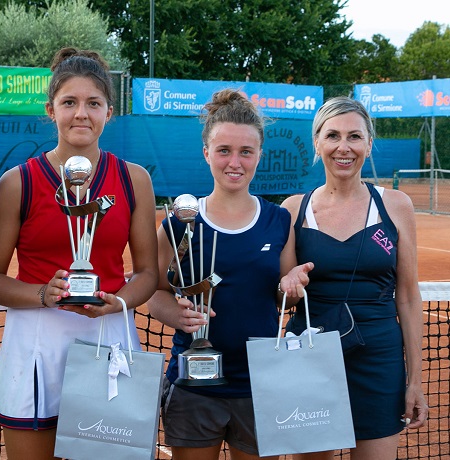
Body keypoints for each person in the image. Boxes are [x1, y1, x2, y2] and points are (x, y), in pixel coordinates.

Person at [0, 47, 158, 460]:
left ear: (109, 111)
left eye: (93, 103)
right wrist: (44, 293)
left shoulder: (134, 180)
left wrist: (118, 302)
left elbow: (147, 273)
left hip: (109, 340)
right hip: (36, 347)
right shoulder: (17, 182)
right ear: (50, 109)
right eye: (69, 102)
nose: (81, 114)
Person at [147, 88, 304, 460]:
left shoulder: (278, 220)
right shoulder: (177, 224)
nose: (235, 162)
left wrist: (292, 287)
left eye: (246, 152)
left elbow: (285, 297)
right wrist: (177, 314)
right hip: (194, 385)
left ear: (259, 156)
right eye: (224, 150)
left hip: (258, 384)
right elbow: (154, 293)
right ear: (206, 153)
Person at [279, 96, 429, 460]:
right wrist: (289, 284)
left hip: (379, 359)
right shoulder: (293, 210)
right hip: (311, 354)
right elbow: (283, 292)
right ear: (317, 143)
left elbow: (407, 297)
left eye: (354, 137)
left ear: (368, 144)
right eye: (332, 136)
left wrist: (415, 382)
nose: (343, 147)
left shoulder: (396, 206)